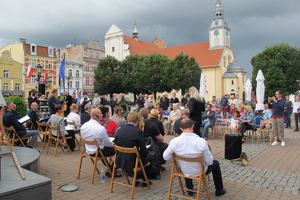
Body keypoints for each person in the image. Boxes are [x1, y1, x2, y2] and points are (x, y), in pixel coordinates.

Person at [163, 118, 226, 197]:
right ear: (193, 126)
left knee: (185, 162)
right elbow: (210, 162)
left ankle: (190, 190)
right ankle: (219, 189)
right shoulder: (201, 141)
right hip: (199, 171)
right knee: (215, 163)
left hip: (184, 170)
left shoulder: (174, 141)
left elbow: (165, 157)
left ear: (181, 129)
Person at [81, 108, 121, 177]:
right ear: (96, 116)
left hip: (88, 150)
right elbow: (108, 144)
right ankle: (111, 168)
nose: (102, 115)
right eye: (100, 114)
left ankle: (109, 168)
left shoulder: (84, 126)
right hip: (98, 152)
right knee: (120, 150)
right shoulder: (100, 129)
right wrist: (115, 145)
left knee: (101, 147)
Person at [114, 112, 153, 181]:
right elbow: (143, 150)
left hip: (120, 159)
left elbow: (116, 145)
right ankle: (145, 179)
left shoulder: (119, 131)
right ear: (137, 121)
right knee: (150, 156)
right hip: (133, 161)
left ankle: (136, 177)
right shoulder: (137, 131)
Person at [139, 108, 167, 174]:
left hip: (140, 146)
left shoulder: (137, 124)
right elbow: (160, 138)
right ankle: (159, 164)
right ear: (147, 115)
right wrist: (161, 140)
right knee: (165, 146)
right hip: (152, 146)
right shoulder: (152, 124)